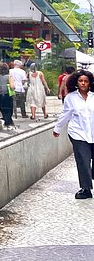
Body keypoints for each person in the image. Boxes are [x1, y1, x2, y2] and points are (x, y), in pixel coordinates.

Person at [53, 69, 94, 199]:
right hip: (78, 133)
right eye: (80, 81)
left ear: (90, 83)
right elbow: (66, 114)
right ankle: (85, 188)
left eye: (86, 81)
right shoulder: (71, 98)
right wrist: (57, 129)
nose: (83, 83)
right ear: (76, 82)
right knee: (83, 160)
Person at [0, 62, 15, 130]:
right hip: (7, 94)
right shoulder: (9, 76)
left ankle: (7, 122)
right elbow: (12, 86)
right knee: (9, 109)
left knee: (3, 109)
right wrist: (13, 87)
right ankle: (5, 121)